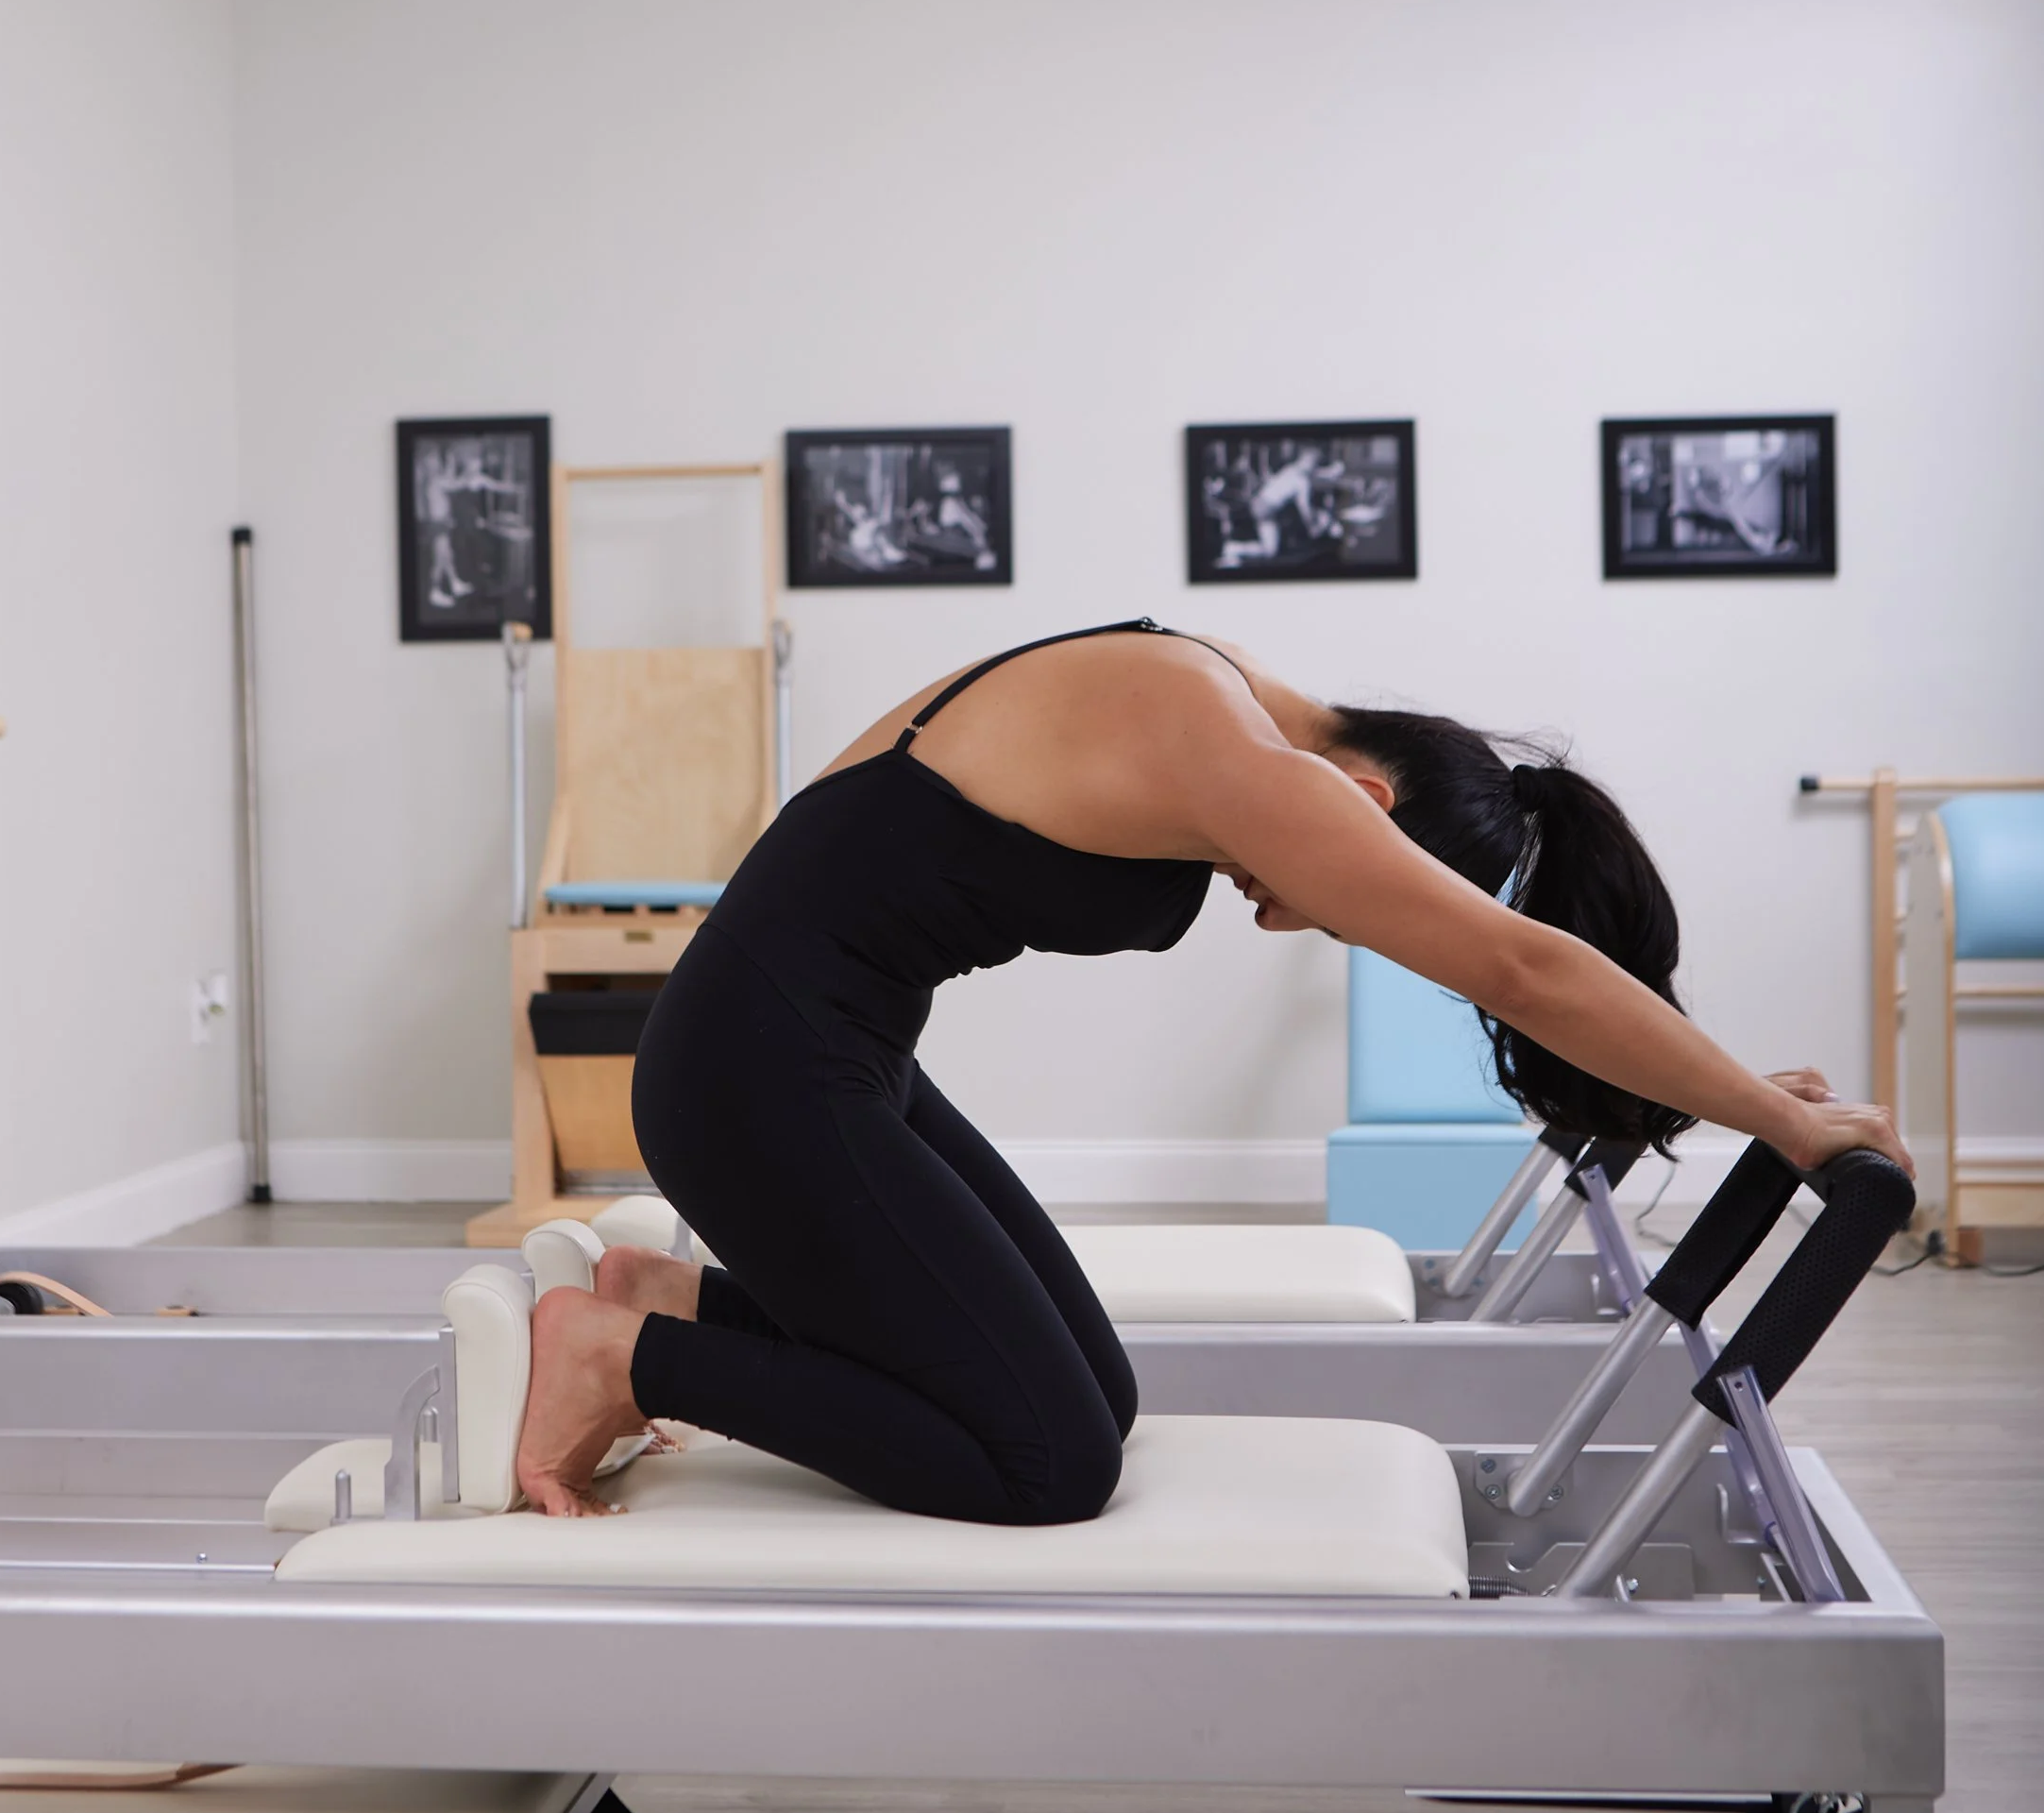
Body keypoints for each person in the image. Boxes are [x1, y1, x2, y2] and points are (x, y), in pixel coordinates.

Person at [515, 619, 1905, 1525]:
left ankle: (678, 1298)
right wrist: (1773, 1120)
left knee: (1093, 1405)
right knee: (1046, 1465)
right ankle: (625, 1357)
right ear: (1366, 810)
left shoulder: (1206, 686)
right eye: (1326, 895)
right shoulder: (1246, 760)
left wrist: (1739, 1091)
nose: (1285, 910)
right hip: (757, 1074)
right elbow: (1523, 970)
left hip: (825, 1056)